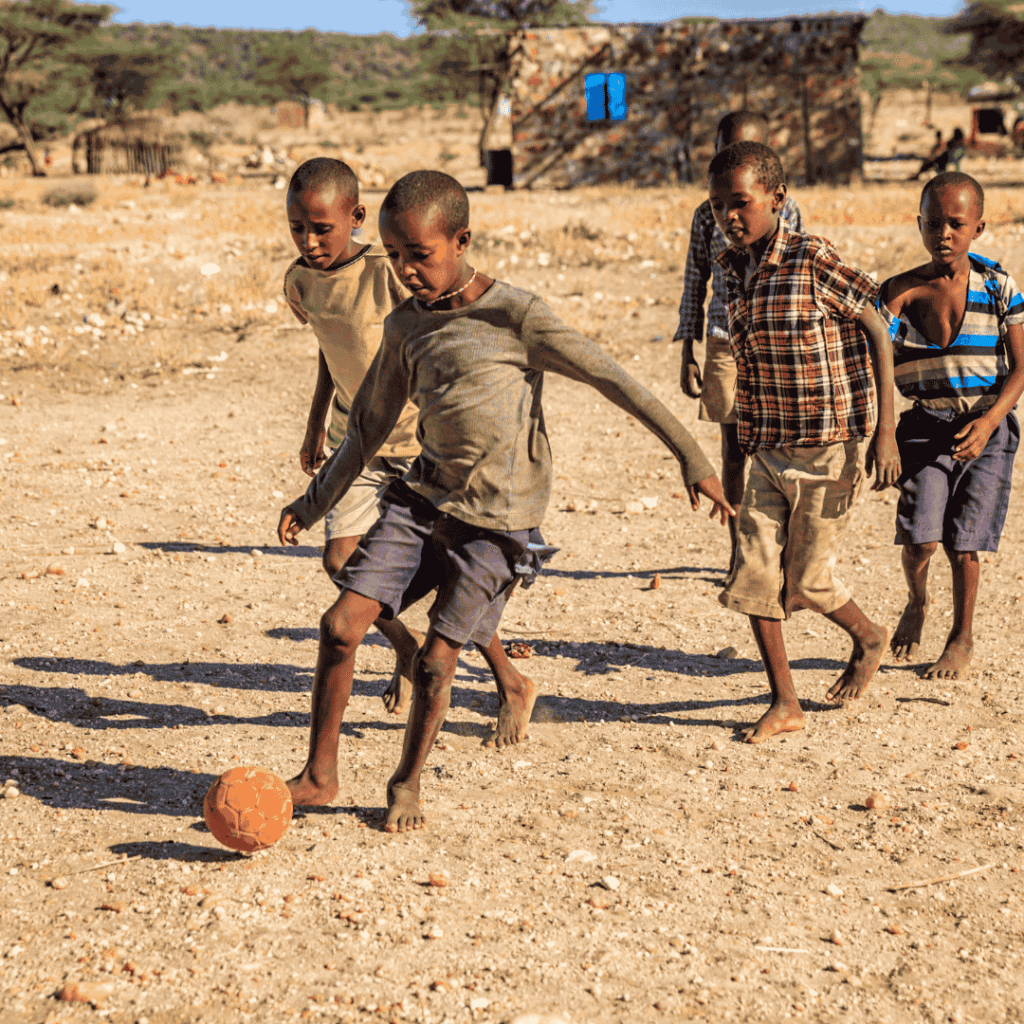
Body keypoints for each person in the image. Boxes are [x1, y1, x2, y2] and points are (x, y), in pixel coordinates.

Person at [278, 169, 732, 831]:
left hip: (497, 521)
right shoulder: (405, 325)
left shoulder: (515, 316)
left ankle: (406, 782)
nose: (405, 270)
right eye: (395, 255)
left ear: (461, 240)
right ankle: (320, 775)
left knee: (437, 661)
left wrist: (691, 456)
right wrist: (314, 500)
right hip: (422, 500)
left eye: (419, 255)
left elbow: (612, 379)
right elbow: (368, 427)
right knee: (339, 626)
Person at [283, 157, 544, 726]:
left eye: (321, 228)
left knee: (453, 573)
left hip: (417, 443)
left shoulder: (390, 270)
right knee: (340, 560)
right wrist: (315, 422)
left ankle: (509, 679)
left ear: (355, 217)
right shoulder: (298, 281)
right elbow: (331, 349)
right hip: (356, 441)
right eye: (297, 228)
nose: (309, 241)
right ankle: (404, 647)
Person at [709, 141, 901, 744]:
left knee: (808, 581)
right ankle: (784, 701)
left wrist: (886, 430)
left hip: (829, 447)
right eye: (717, 206)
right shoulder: (728, 269)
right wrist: (736, 459)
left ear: (777, 198)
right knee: (753, 577)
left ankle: (869, 636)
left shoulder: (811, 258)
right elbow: (746, 367)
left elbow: (877, 326)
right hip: (768, 447)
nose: (729, 216)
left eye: (740, 203)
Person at [879, 172, 1024, 680]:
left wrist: (988, 424)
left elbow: (1021, 368)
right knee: (920, 539)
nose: (944, 233)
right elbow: (876, 362)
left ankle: (961, 637)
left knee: (965, 543)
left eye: (956, 224)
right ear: (919, 223)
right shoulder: (899, 292)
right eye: (933, 222)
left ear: (978, 228)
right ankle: (917, 599)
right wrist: (882, 434)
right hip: (924, 428)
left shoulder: (999, 287)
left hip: (987, 430)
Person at [677, 111, 804, 577]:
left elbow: (797, 273)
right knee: (733, 450)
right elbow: (696, 278)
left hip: (774, 341)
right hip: (724, 338)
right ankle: (738, 548)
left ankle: (780, 547)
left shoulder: (786, 211)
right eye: (725, 151)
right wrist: (687, 348)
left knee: (778, 448)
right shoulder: (706, 214)